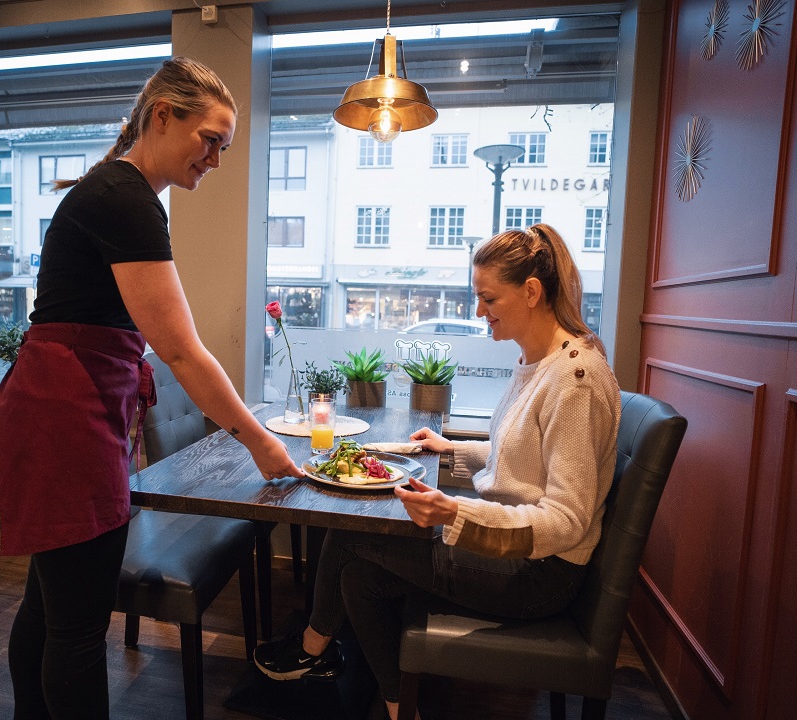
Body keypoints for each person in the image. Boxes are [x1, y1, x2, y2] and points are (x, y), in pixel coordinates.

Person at [0, 57, 303, 720]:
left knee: (48, 607)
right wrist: (260, 442)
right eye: (210, 139)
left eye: (226, 145)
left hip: (57, 408)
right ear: (163, 115)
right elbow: (183, 354)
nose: (216, 159)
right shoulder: (126, 198)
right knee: (73, 627)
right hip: (63, 417)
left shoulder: (119, 193)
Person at [253, 223, 621, 720]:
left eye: (488, 298)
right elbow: (523, 458)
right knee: (358, 575)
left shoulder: (575, 380)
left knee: (350, 536)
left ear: (531, 292)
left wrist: (454, 513)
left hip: (538, 573)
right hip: (516, 552)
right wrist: (450, 452)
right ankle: (400, 705)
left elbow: (566, 522)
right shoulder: (541, 361)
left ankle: (310, 649)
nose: (478, 312)